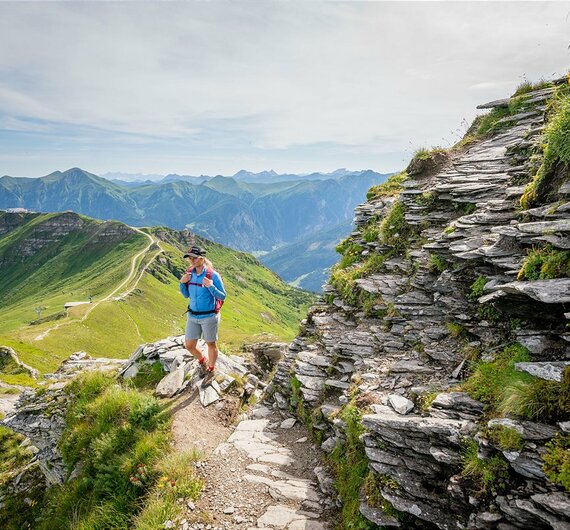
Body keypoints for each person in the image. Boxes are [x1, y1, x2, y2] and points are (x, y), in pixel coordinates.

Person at [179, 245, 226, 387]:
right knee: (189, 345)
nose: (191, 260)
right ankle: (202, 361)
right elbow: (186, 294)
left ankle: (211, 369)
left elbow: (222, 296)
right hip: (192, 316)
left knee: (211, 344)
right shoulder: (189, 274)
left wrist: (211, 286)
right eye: (189, 258)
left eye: (194, 257)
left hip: (209, 316)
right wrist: (182, 283)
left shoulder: (213, 275)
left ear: (202, 258)